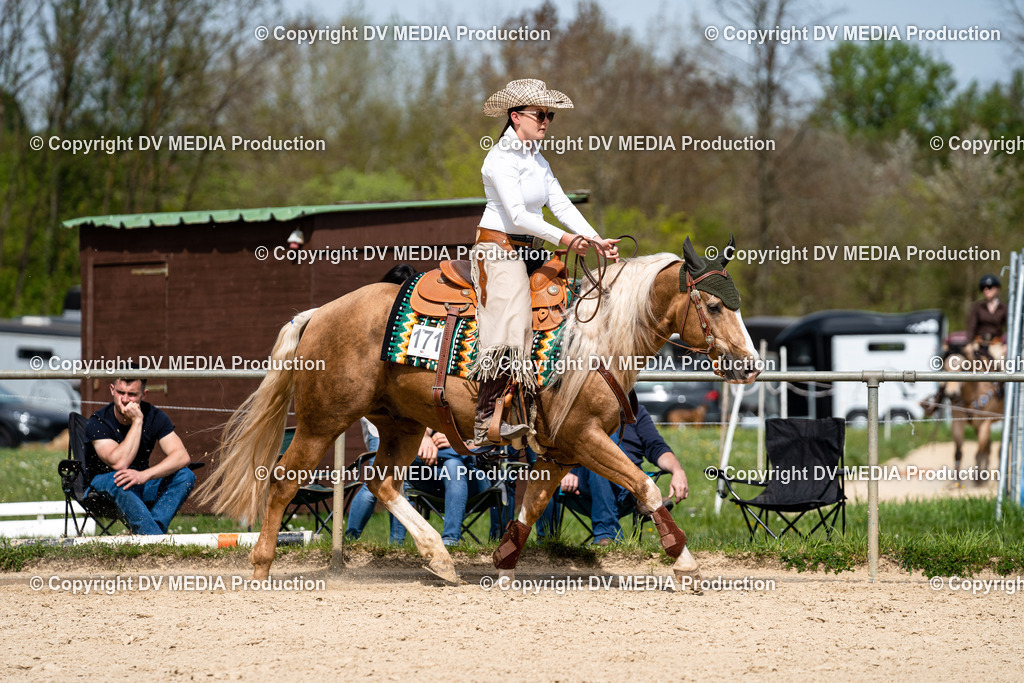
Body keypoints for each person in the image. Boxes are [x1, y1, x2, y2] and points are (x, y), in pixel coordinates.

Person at [473, 78, 620, 445]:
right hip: (498, 248)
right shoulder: (499, 159)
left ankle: (552, 397)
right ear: (515, 116)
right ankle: (486, 415)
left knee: (568, 303)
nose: (546, 121)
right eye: (540, 114)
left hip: (529, 248)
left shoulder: (537, 160)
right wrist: (566, 239)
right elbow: (519, 215)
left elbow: (561, 204)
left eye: (549, 115)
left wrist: (595, 239)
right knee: (515, 317)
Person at [541, 404, 689, 545]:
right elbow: (552, 445)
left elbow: (657, 447)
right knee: (601, 441)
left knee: (601, 452)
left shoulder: (634, 411)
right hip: (582, 479)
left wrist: (678, 471)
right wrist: (565, 471)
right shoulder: (579, 408)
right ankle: (637, 495)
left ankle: (607, 534)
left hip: (622, 479)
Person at [85, 377, 195, 534]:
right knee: (121, 478)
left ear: (144, 394)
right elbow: (119, 463)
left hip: (139, 482)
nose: (124, 399)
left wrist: (144, 475)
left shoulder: (156, 416)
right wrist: (137, 421)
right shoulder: (98, 421)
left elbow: (182, 456)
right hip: (103, 485)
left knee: (185, 475)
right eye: (120, 392)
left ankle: (152, 532)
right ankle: (155, 539)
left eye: (132, 394)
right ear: (112, 390)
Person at [966, 274, 1007, 362]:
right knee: (966, 361)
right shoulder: (978, 307)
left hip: (996, 345)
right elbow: (971, 326)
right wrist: (969, 343)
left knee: (1002, 363)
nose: (986, 290)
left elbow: (1010, 328)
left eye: (989, 287)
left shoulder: (1004, 308)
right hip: (978, 343)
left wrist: (1006, 345)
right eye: (983, 287)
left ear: (997, 288)